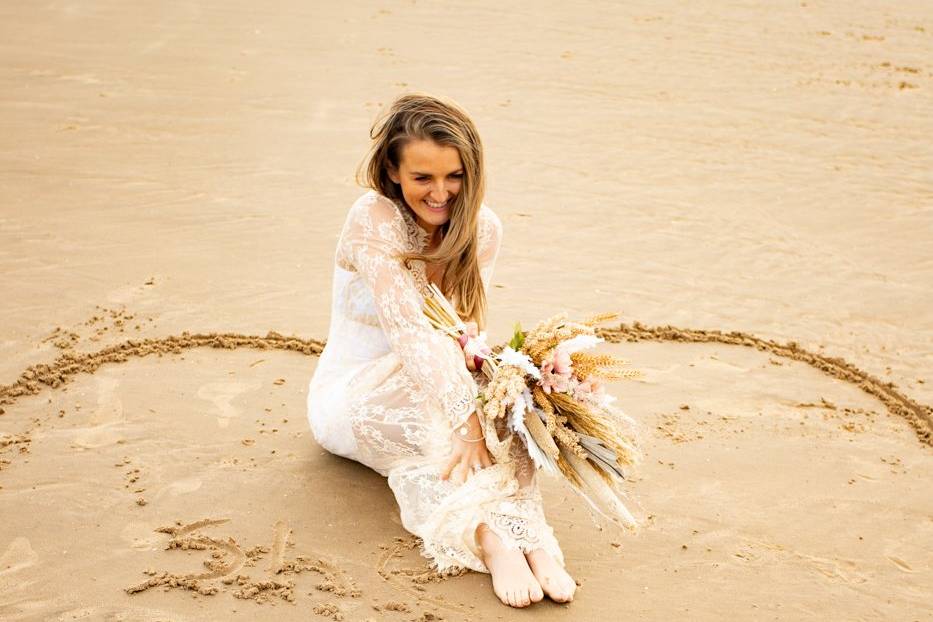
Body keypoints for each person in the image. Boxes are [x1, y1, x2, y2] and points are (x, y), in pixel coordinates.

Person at [306, 93, 576, 608]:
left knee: (507, 398)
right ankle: (489, 538)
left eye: (453, 176)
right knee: (461, 416)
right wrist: (466, 422)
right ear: (392, 169)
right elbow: (411, 334)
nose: (440, 193)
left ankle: (529, 533)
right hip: (352, 397)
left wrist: (493, 395)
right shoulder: (374, 218)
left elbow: (461, 336)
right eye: (422, 177)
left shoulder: (482, 229)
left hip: (431, 380)